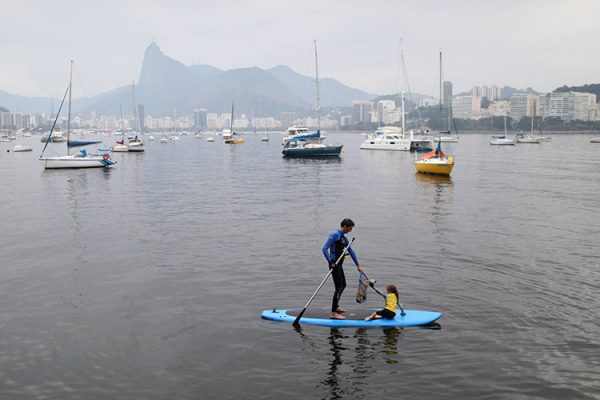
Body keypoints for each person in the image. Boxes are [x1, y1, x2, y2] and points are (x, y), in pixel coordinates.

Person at [322, 218, 364, 320]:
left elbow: (351, 251)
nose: (350, 230)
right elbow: (324, 248)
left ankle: (336, 307)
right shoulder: (335, 234)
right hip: (334, 264)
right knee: (339, 287)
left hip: (339, 265)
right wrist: (330, 262)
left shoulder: (344, 238)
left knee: (343, 285)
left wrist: (358, 265)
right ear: (344, 226)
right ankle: (333, 313)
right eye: (350, 228)